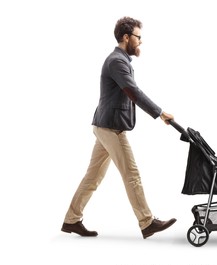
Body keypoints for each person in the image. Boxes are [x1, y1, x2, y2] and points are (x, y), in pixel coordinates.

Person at [61, 16, 176, 239]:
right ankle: (147, 222)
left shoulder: (120, 60)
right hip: (111, 128)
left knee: (92, 178)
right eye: (138, 37)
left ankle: (71, 220)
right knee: (132, 174)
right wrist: (160, 113)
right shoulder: (116, 61)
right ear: (126, 37)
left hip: (104, 125)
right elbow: (134, 92)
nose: (141, 41)